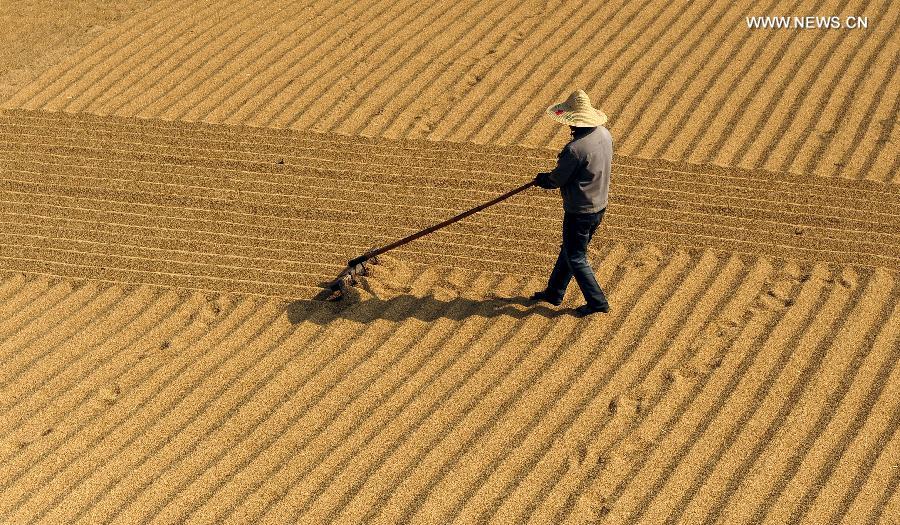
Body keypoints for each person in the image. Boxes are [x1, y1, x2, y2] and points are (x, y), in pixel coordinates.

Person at [531, 89, 612, 317]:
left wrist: (544, 179)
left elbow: (557, 179)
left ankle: (597, 302)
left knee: (576, 256)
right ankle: (554, 292)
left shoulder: (574, 149)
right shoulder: (604, 134)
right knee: (570, 249)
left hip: (580, 210)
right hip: (599, 204)